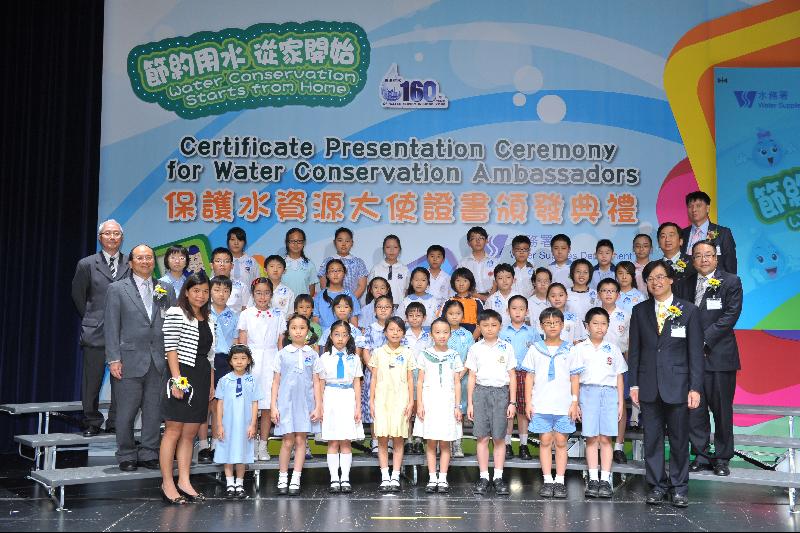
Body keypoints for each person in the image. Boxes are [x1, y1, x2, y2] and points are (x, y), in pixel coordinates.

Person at [628, 259, 704, 508]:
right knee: (652, 439)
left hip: (679, 386)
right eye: (650, 279)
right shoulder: (639, 311)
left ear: (671, 279)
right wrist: (634, 384)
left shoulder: (689, 310)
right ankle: (657, 486)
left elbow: (695, 353)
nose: (656, 282)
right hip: (649, 386)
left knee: (681, 440)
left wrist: (695, 387)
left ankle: (680, 487)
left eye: (660, 277)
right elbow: (635, 351)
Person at [104, 244, 176, 472]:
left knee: (154, 411)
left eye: (149, 258)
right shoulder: (117, 289)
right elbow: (111, 326)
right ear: (131, 263)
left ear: (154, 262)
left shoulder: (164, 288)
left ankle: (148, 452)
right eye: (140, 258)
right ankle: (126, 454)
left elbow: (171, 324)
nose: (145, 261)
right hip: (128, 360)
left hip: (158, 360)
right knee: (126, 412)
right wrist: (114, 358)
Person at [682, 240, 743, 477]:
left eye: (708, 255)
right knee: (695, 409)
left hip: (719, 356)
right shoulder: (685, 284)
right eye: (698, 255)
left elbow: (730, 316)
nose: (704, 259)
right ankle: (700, 454)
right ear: (693, 259)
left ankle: (722, 457)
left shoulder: (731, 281)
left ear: (716, 258)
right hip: (691, 360)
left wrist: (702, 340)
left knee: (721, 410)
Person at [159, 273, 216, 504]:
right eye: (196, 291)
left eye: (204, 291)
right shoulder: (176, 312)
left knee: (190, 433)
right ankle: (167, 482)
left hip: (202, 375)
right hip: (181, 373)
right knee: (173, 430)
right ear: (186, 292)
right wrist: (176, 380)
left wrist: (211, 384)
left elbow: (210, 356)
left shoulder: (209, 317)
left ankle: (184, 480)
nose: (200, 295)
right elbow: (170, 348)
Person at [72, 219, 129, 436]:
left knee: (121, 380)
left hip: (124, 332)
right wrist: (92, 317)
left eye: (116, 233)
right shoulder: (86, 264)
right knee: (92, 379)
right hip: (95, 330)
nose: (112, 237)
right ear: (100, 238)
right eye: (108, 233)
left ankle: (114, 421)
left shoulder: (130, 263)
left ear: (122, 238)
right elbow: (78, 295)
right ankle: (91, 422)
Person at [522, 307, 583, 499]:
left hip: (564, 405)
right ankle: (548, 480)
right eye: (548, 323)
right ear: (541, 326)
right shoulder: (535, 349)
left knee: (561, 441)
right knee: (545, 441)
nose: (552, 326)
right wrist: (528, 402)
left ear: (562, 325)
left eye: (556, 322)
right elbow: (529, 378)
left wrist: (574, 403)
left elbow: (575, 379)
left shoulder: (571, 349)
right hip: (541, 404)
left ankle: (560, 480)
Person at [576, 307, 627, 498]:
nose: (599, 327)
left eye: (604, 323)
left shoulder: (613, 348)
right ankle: (593, 478)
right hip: (587, 392)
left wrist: (620, 402)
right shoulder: (579, 349)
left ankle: (605, 478)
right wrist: (576, 401)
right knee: (591, 438)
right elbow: (574, 377)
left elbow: (619, 377)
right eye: (595, 323)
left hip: (609, 393)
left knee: (606, 438)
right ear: (587, 326)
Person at [467, 310, 517, 497]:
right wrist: (470, 403)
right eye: (485, 325)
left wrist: (512, 402)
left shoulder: (506, 347)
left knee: (499, 437)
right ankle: (483, 476)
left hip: (501, 393)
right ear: (479, 327)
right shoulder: (475, 348)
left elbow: (512, 376)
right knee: (481, 437)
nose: (489, 329)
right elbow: (471, 376)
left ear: (500, 326)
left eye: (494, 325)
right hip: (481, 392)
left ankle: (498, 476)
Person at [271, 314, 322, 495]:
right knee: (287, 441)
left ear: (308, 331)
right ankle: (283, 476)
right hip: (286, 403)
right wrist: (273, 406)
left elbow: (316, 382)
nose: (298, 331)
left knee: (301, 440)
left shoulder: (313, 354)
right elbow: (276, 382)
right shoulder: (282, 354)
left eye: (302, 327)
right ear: (288, 332)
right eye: (294, 328)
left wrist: (318, 406)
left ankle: (296, 478)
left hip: (305, 404)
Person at [237, 277, 286, 461]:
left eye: (266, 293)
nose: (262, 296)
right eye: (258, 292)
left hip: (271, 360)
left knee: (267, 406)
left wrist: (281, 365)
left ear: (271, 295)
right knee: (250, 406)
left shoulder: (278, 314)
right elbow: (242, 342)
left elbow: (281, 343)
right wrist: (243, 364)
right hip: (252, 360)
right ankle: (249, 445)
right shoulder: (246, 314)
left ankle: (263, 445)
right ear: (253, 294)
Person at [413, 318, 464, 494]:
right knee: (431, 442)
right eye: (437, 332)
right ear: (431, 334)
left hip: (448, 403)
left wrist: (458, 406)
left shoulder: (454, 355)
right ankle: (432, 477)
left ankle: (442, 478)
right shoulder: (425, 354)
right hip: (429, 402)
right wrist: (419, 403)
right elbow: (419, 382)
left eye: (445, 332)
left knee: (445, 442)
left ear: (450, 334)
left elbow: (457, 382)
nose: (441, 336)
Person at [314, 320, 365, 494]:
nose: (340, 338)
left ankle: (345, 478)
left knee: (346, 441)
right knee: (333, 440)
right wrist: (319, 405)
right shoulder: (324, 357)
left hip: (348, 396)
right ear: (330, 336)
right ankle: (334, 478)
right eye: (337, 334)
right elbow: (320, 383)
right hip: (331, 396)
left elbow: (357, 383)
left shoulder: (354, 357)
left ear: (349, 337)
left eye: (344, 335)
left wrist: (358, 407)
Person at [369, 317, 415, 492]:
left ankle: (395, 475)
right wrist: (371, 402)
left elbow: (411, 379)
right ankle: (384, 476)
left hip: (401, 400)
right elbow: (373, 378)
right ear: (385, 332)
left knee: (398, 439)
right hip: (381, 400)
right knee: (382, 439)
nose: (395, 333)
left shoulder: (408, 353)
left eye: (399, 330)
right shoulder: (378, 352)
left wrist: (411, 401)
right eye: (391, 329)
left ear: (403, 333)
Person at [214, 344, 262, 499]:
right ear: (230, 361)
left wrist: (253, 424)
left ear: (248, 361)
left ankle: (239, 484)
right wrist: (219, 425)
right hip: (228, 424)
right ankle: (229, 484)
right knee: (228, 453)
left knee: (242, 454)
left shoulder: (252, 380)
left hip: (245, 424)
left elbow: (255, 403)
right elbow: (219, 403)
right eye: (235, 359)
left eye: (243, 358)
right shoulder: (224, 380)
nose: (239, 362)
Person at [596, 278, 635, 461]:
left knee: (620, 405)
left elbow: (629, 345)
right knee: (598, 405)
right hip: (597, 367)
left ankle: (618, 446)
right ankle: (598, 445)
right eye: (604, 290)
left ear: (618, 295)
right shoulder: (593, 315)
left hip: (619, 366)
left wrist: (629, 369)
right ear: (598, 294)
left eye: (612, 291)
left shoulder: (625, 316)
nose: (608, 294)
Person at [203, 275, 239, 465]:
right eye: (217, 290)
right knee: (204, 403)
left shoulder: (233, 315)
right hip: (204, 359)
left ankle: (217, 442)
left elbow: (234, 342)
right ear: (210, 291)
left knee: (219, 403)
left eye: (226, 291)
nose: (221, 294)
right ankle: (202, 445)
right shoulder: (203, 312)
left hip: (224, 360)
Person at [500, 295, 537, 460]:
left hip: (525, 375)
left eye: (521, 309)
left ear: (527, 311)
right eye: (514, 308)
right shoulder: (502, 332)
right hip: (506, 374)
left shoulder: (532, 332)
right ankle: (507, 444)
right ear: (508, 311)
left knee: (522, 411)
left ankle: (523, 445)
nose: (518, 312)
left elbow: (538, 354)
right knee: (508, 411)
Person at [442, 299, 474, 458]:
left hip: (463, 378)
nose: (454, 317)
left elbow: (471, 356)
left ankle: (457, 444)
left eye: (458, 314)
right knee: (445, 411)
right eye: (451, 314)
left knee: (458, 412)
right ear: (445, 314)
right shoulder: (441, 331)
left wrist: (463, 371)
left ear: (463, 315)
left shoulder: (467, 334)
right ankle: (445, 444)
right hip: (444, 379)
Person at [363, 295, 394, 455]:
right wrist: (374, 369)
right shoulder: (370, 328)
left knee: (389, 406)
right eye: (380, 307)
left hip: (393, 375)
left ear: (392, 309)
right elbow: (365, 351)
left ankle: (388, 440)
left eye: (387, 306)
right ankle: (375, 440)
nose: (383, 309)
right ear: (375, 310)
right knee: (374, 407)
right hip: (373, 374)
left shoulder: (395, 327)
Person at [681, 191, 737, 274]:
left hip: (715, 284)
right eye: (690, 206)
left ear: (707, 208)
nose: (694, 209)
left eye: (698, 206)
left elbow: (730, 267)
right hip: (686, 284)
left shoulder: (723, 233)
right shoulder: (682, 234)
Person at [317, 227, 369, 301]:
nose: (344, 244)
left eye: (347, 241)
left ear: (352, 243)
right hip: (331, 303)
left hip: (352, 304)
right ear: (335, 242)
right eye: (340, 240)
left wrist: (349, 301)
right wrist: (333, 301)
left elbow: (362, 286)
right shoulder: (327, 261)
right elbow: (323, 285)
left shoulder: (358, 262)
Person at [314, 259, 361, 329]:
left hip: (343, 336)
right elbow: (315, 322)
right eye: (332, 271)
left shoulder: (350, 296)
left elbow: (354, 323)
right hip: (323, 337)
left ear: (344, 274)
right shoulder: (319, 296)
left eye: (339, 270)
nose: (336, 274)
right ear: (327, 275)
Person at [442, 267, 484, 339]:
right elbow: (442, 323)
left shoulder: (477, 302)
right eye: (458, 280)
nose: (461, 284)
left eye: (465, 280)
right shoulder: (448, 302)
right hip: (451, 341)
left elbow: (481, 324)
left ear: (470, 282)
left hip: (473, 341)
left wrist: (470, 341)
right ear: (453, 282)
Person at [369, 235, 410, 305]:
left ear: (400, 249)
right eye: (388, 247)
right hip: (380, 308)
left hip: (399, 308)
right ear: (383, 249)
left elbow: (407, 290)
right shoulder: (376, 269)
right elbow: (370, 290)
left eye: (395, 247)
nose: (391, 250)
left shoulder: (404, 270)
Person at [457, 226, 496, 300]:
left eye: (481, 238)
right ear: (469, 243)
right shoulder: (463, 263)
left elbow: (497, 282)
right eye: (474, 238)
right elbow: (460, 283)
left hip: (492, 298)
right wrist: (479, 296)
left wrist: (489, 297)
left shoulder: (494, 262)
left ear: (486, 240)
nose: (478, 241)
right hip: (470, 299)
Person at [210, 247, 248, 312]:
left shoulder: (242, 287)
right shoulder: (205, 285)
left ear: (232, 265)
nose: (222, 264)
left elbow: (247, 312)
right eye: (218, 261)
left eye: (226, 261)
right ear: (211, 265)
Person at [283, 228, 318, 297]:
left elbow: (312, 290)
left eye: (299, 241)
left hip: (302, 306)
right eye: (292, 241)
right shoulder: (280, 263)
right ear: (287, 242)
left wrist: (304, 304)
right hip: (283, 306)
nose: (296, 244)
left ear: (304, 243)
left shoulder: (310, 264)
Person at [484, 263, 521, 328]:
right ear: (495, 281)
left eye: (508, 277)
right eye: (500, 278)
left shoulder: (519, 298)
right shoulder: (491, 299)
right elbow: (486, 320)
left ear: (513, 279)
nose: (504, 281)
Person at [566, 258, 598, 324]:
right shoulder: (565, 293)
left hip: (590, 331)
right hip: (569, 330)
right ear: (572, 273)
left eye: (585, 272)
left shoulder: (595, 294)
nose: (581, 275)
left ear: (590, 275)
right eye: (578, 271)